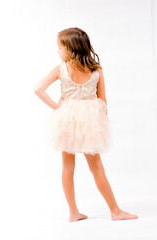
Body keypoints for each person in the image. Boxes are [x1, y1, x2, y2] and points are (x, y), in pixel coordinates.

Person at [34, 27, 138, 222]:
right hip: (90, 121)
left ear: (70, 49)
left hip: (66, 119)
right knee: (97, 166)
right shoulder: (96, 70)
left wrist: (57, 106)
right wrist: (99, 122)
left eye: (60, 48)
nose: (58, 52)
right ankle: (115, 211)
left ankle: (73, 212)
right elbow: (103, 101)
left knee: (67, 166)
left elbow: (38, 89)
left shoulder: (61, 68)